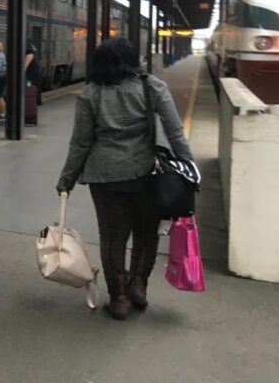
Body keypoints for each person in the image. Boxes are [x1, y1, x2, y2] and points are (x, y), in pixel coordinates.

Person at [55, 38, 194, 320]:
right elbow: (176, 132)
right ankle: (138, 285)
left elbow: (80, 143)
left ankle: (118, 298)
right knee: (146, 232)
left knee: (112, 238)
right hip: (146, 174)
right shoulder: (151, 86)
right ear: (132, 60)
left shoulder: (90, 95)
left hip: (104, 178)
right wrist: (189, 170)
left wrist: (66, 179)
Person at [25, 39, 42, 106]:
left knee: (30, 86)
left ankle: (31, 102)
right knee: (35, 86)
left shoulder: (26, 44)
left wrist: (24, 67)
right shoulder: (31, 44)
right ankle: (37, 101)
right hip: (36, 69)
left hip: (31, 70)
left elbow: (30, 55)